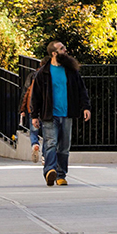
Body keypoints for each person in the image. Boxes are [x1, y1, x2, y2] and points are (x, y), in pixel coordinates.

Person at [30, 40, 90, 187]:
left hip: (67, 113)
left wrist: (86, 107)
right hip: (49, 115)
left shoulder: (71, 71)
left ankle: (61, 175)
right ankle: (50, 171)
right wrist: (34, 116)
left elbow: (82, 90)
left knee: (64, 146)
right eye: (62, 48)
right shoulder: (43, 72)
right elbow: (35, 95)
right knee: (51, 143)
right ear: (54, 53)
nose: (65, 50)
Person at [18, 61, 43, 162]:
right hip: (46, 110)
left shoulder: (32, 76)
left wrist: (22, 109)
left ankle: (35, 144)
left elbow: (26, 93)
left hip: (32, 107)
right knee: (47, 134)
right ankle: (45, 155)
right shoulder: (50, 76)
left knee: (33, 131)